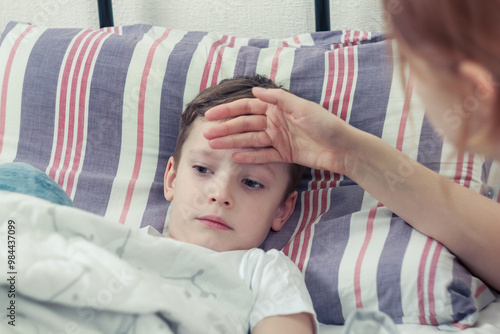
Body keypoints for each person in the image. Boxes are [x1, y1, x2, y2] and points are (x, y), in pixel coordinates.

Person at [202, 0, 500, 292]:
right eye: (202, 168)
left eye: (410, 66)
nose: (220, 194)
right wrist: (347, 154)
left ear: (476, 89)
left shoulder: (269, 278)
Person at [162, 74, 317, 333]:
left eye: (252, 182)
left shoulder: (262, 271)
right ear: (172, 179)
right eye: (202, 169)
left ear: (282, 210)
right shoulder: (124, 243)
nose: (221, 194)